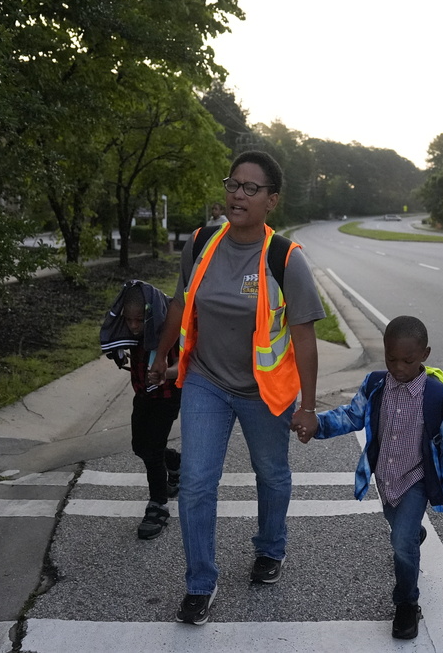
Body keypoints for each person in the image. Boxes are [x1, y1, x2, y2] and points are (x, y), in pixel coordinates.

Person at [149, 150, 325, 625]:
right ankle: (199, 584)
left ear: (272, 201)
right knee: (197, 482)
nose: (238, 194)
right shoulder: (202, 243)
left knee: (271, 475)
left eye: (251, 188)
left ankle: (270, 548)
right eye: (233, 184)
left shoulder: (284, 258)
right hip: (206, 380)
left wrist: (307, 406)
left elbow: (305, 339)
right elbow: (180, 302)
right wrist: (159, 356)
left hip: (262, 392)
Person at [292, 315, 443, 640]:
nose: (398, 368)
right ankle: (413, 535)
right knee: (402, 531)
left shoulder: (436, 396)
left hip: (416, 479)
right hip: (385, 478)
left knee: (400, 543)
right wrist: (317, 425)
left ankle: (406, 604)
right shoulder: (376, 385)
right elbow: (352, 415)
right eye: (391, 359)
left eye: (407, 360)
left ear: (425, 354)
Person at [99, 280, 182, 540]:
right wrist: (118, 352)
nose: (133, 326)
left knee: (153, 450)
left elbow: (185, 367)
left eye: (138, 320)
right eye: (128, 320)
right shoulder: (133, 329)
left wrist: (164, 373)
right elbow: (119, 338)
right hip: (143, 394)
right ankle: (176, 463)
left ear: (149, 314)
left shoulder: (169, 324)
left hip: (168, 395)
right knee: (139, 446)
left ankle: (158, 506)